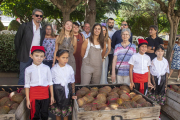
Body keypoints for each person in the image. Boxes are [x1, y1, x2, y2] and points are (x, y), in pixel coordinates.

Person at [14, 8, 46, 85]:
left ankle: (31, 95)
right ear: (33, 16)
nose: (39, 17)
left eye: (41, 16)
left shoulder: (42, 30)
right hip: (26, 56)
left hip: (37, 57)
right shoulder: (25, 26)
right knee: (23, 77)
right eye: (37, 15)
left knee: (35, 77)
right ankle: (21, 94)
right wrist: (21, 53)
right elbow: (17, 41)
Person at [24, 46, 54, 120]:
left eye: (41, 56)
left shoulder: (47, 68)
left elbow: (50, 83)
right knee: (34, 115)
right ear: (31, 56)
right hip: (34, 95)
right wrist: (28, 100)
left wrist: (52, 96)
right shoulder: (28, 69)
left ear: (44, 57)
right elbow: (27, 85)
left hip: (45, 95)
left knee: (45, 114)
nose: (39, 58)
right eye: (36, 56)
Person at [49, 49, 77, 120]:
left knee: (65, 113)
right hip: (57, 94)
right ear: (57, 58)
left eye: (67, 58)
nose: (65, 60)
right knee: (57, 113)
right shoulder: (53, 69)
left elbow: (72, 82)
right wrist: (52, 96)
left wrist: (73, 93)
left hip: (67, 94)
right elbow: (50, 83)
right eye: (63, 57)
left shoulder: (69, 68)